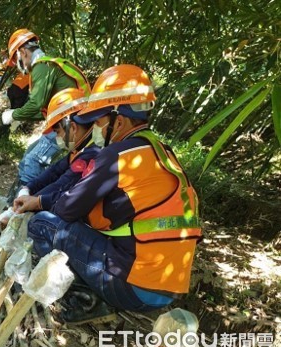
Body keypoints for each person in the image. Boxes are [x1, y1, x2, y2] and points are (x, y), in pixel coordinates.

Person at [21, 64, 202, 324]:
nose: (96, 127)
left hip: (132, 286)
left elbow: (65, 210)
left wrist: (38, 203)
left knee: (42, 223)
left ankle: (86, 301)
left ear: (119, 119)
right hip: (166, 290)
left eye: (98, 121)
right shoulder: (164, 154)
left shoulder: (118, 156)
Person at [0, 88, 101, 231]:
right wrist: (28, 188)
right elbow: (54, 172)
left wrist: (29, 205)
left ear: (73, 127)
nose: (58, 138)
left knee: (39, 222)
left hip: (90, 225)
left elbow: (61, 185)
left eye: (58, 132)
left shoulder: (92, 154)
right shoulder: (81, 148)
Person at [1, 29, 91, 189]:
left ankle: (24, 206)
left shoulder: (41, 67)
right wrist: (20, 117)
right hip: (66, 123)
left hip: (69, 126)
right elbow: (42, 110)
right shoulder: (46, 66)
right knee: (30, 155)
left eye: (16, 59)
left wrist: (14, 115)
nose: (17, 65)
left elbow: (35, 104)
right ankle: (17, 200)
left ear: (23, 52)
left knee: (33, 161)